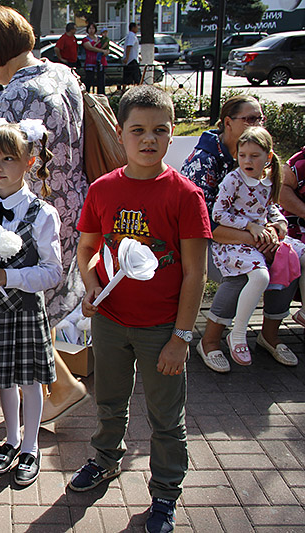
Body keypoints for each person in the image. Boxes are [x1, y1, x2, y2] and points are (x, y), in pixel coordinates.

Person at [72, 85, 211, 533]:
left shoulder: (185, 196)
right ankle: (105, 459)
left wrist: (180, 338)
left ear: (172, 135)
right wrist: (92, 286)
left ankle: (166, 493)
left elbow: (195, 274)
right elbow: (88, 249)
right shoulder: (103, 190)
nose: (148, 139)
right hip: (112, 323)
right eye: (138, 130)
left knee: (166, 419)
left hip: (162, 330)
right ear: (120, 133)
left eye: (159, 130)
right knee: (109, 401)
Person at [0, 6, 89, 424]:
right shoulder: (61, 73)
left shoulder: (13, 94)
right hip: (70, 201)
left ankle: (59, 387)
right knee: (40, 301)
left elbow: (3, 164)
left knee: (25, 306)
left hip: (29, 210)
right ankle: (54, 388)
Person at [0, 118, 62, 487]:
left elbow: (53, 272)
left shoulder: (42, 214)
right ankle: (12, 438)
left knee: (31, 380)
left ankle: (31, 446)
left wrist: (10, 277)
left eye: (8, 159)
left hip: (23, 310)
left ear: (29, 163)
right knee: (2, 379)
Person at [181, 95, 297, 371]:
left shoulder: (257, 159)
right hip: (206, 243)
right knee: (243, 274)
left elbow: (268, 205)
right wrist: (254, 236)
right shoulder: (206, 162)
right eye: (249, 118)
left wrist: (277, 228)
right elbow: (204, 221)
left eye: (259, 119)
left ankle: (269, 335)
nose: (256, 124)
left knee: (290, 259)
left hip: (252, 238)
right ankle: (210, 340)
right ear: (228, 123)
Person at [211, 127, 304, 366]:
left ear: (268, 157)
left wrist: (280, 224)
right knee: (260, 276)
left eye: (254, 156)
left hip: (262, 238)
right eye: (242, 155)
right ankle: (238, 333)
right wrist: (249, 225)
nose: (247, 161)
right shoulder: (234, 180)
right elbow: (218, 213)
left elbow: (270, 208)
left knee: (296, 256)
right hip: (235, 243)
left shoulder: (269, 179)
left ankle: (299, 315)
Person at [82, 23, 106, 94]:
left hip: (100, 62)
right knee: (89, 80)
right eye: (90, 28)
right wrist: (102, 51)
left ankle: (100, 95)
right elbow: (90, 48)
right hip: (90, 62)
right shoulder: (86, 39)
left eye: (93, 28)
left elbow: (106, 46)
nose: (91, 30)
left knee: (100, 82)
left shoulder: (99, 39)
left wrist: (106, 51)